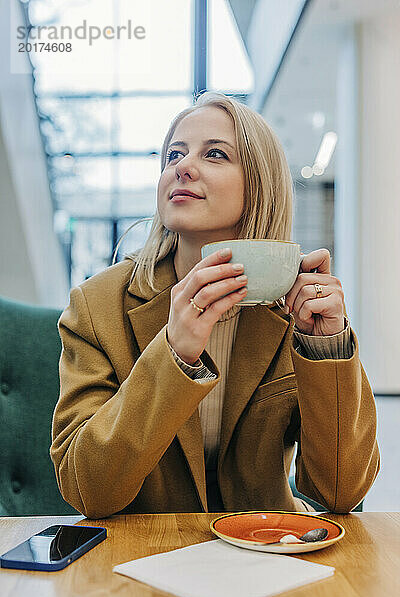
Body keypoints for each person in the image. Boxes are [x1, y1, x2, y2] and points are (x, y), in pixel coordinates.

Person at [50, 92, 380, 519]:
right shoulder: (96, 306)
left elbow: (342, 492)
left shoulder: (292, 309)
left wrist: (327, 349)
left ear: (259, 184)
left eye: (215, 154)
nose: (181, 167)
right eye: (173, 155)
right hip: (145, 555)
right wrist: (173, 354)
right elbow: (85, 489)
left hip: (264, 552)